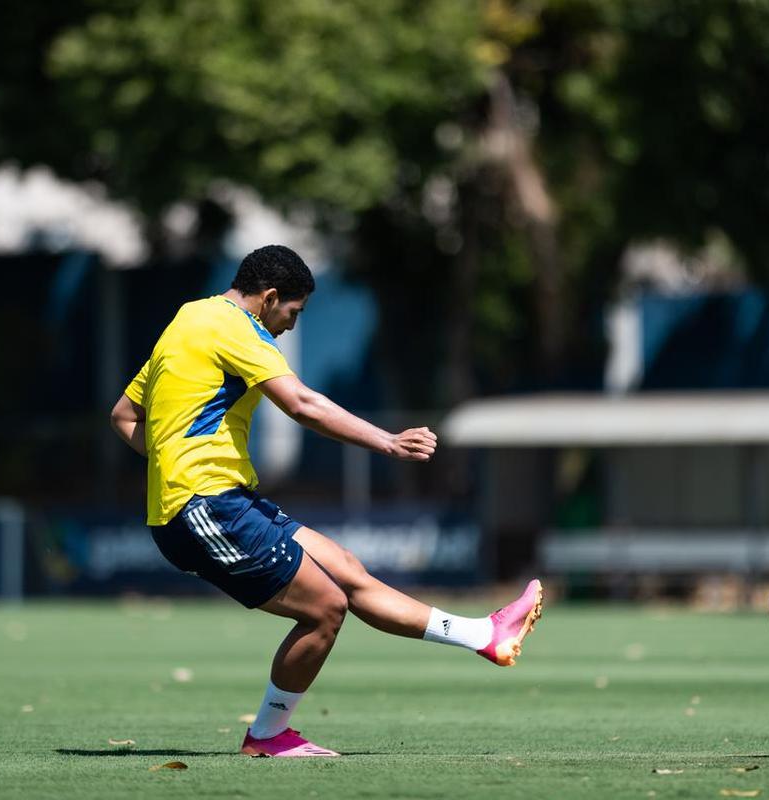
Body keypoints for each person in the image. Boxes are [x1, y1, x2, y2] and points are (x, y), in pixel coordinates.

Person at [110, 244, 542, 757]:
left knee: (345, 569)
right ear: (269, 298)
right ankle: (267, 735)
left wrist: (170, 458)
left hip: (222, 499)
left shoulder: (189, 317)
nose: (291, 325)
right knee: (325, 608)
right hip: (204, 507)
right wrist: (387, 441)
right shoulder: (238, 329)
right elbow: (303, 404)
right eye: (293, 311)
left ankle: (483, 635)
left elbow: (124, 415)